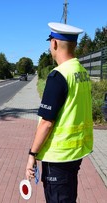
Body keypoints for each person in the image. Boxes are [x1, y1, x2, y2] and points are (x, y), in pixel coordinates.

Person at [25, 22, 93, 202]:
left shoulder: (58, 76)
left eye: (50, 43)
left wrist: (32, 154)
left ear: (54, 43)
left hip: (58, 157)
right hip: (76, 153)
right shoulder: (81, 72)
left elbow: (47, 122)